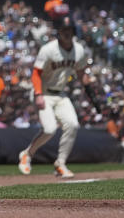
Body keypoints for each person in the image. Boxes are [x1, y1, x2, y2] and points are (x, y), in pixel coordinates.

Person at [17, 16, 91, 179]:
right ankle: (27, 154)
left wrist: (85, 79)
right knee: (50, 129)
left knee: (72, 125)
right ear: (59, 32)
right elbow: (36, 73)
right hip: (43, 93)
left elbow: (80, 71)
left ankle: (60, 163)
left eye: (69, 30)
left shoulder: (79, 50)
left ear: (73, 32)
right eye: (64, 30)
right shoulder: (49, 49)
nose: (66, 33)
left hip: (61, 94)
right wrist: (38, 94)